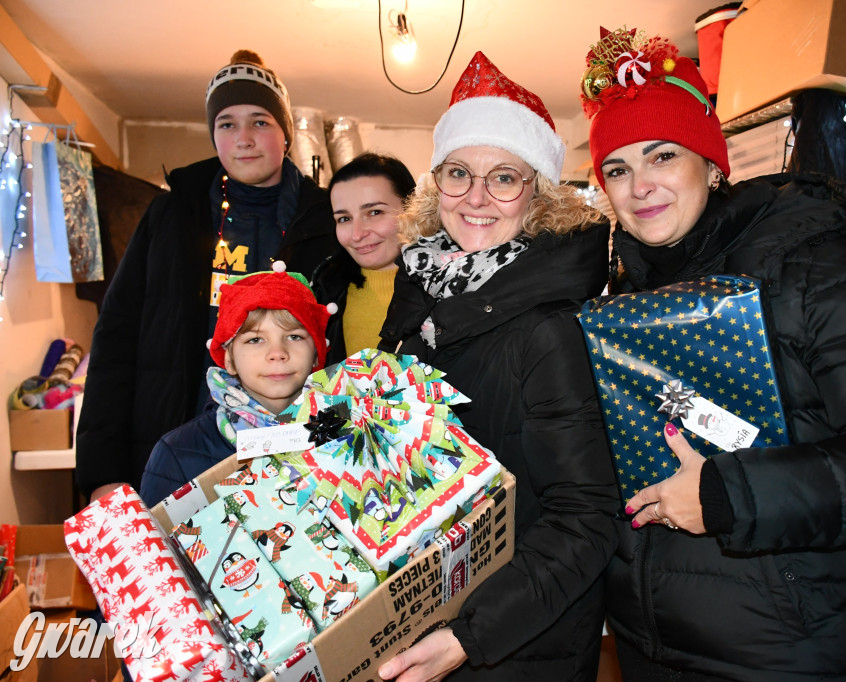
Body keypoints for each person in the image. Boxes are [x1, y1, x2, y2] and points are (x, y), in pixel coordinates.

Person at [579, 28, 846, 681]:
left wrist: (733, 496)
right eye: (617, 168)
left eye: (662, 155)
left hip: (784, 650)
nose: (639, 185)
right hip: (648, 645)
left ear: (711, 164)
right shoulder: (620, 296)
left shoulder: (811, 258)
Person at [376, 52, 619, 681]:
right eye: (459, 173)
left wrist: (469, 636)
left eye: (504, 177)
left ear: (535, 195)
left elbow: (586, 520)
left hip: (513, 648)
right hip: (429, 619)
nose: (477, 198)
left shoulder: (549, 328)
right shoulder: (419, 306)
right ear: (436, 187)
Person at [75, 49, 358, 503]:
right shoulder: (172, 214)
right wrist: (101, 470)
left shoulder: (325, 219)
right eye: (227, 124)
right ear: (213, 135)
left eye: (260, 121)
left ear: (285, 133)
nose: (243, 138)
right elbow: (116, 337)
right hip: (175, 452)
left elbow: (348, 343)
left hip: (297, 459)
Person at [139, 263, 331, 507]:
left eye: (294, 336)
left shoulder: (346, 432)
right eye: (255, 339)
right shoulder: (177, 454)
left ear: (316, 353)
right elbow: (159, 544)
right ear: (228, 358)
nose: (278, 353)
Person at [323, 152, 415, 354]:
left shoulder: (452, 289)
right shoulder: (323, 290)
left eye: (374, 212)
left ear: (413, 209)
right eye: (344, 219)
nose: (357, 234)